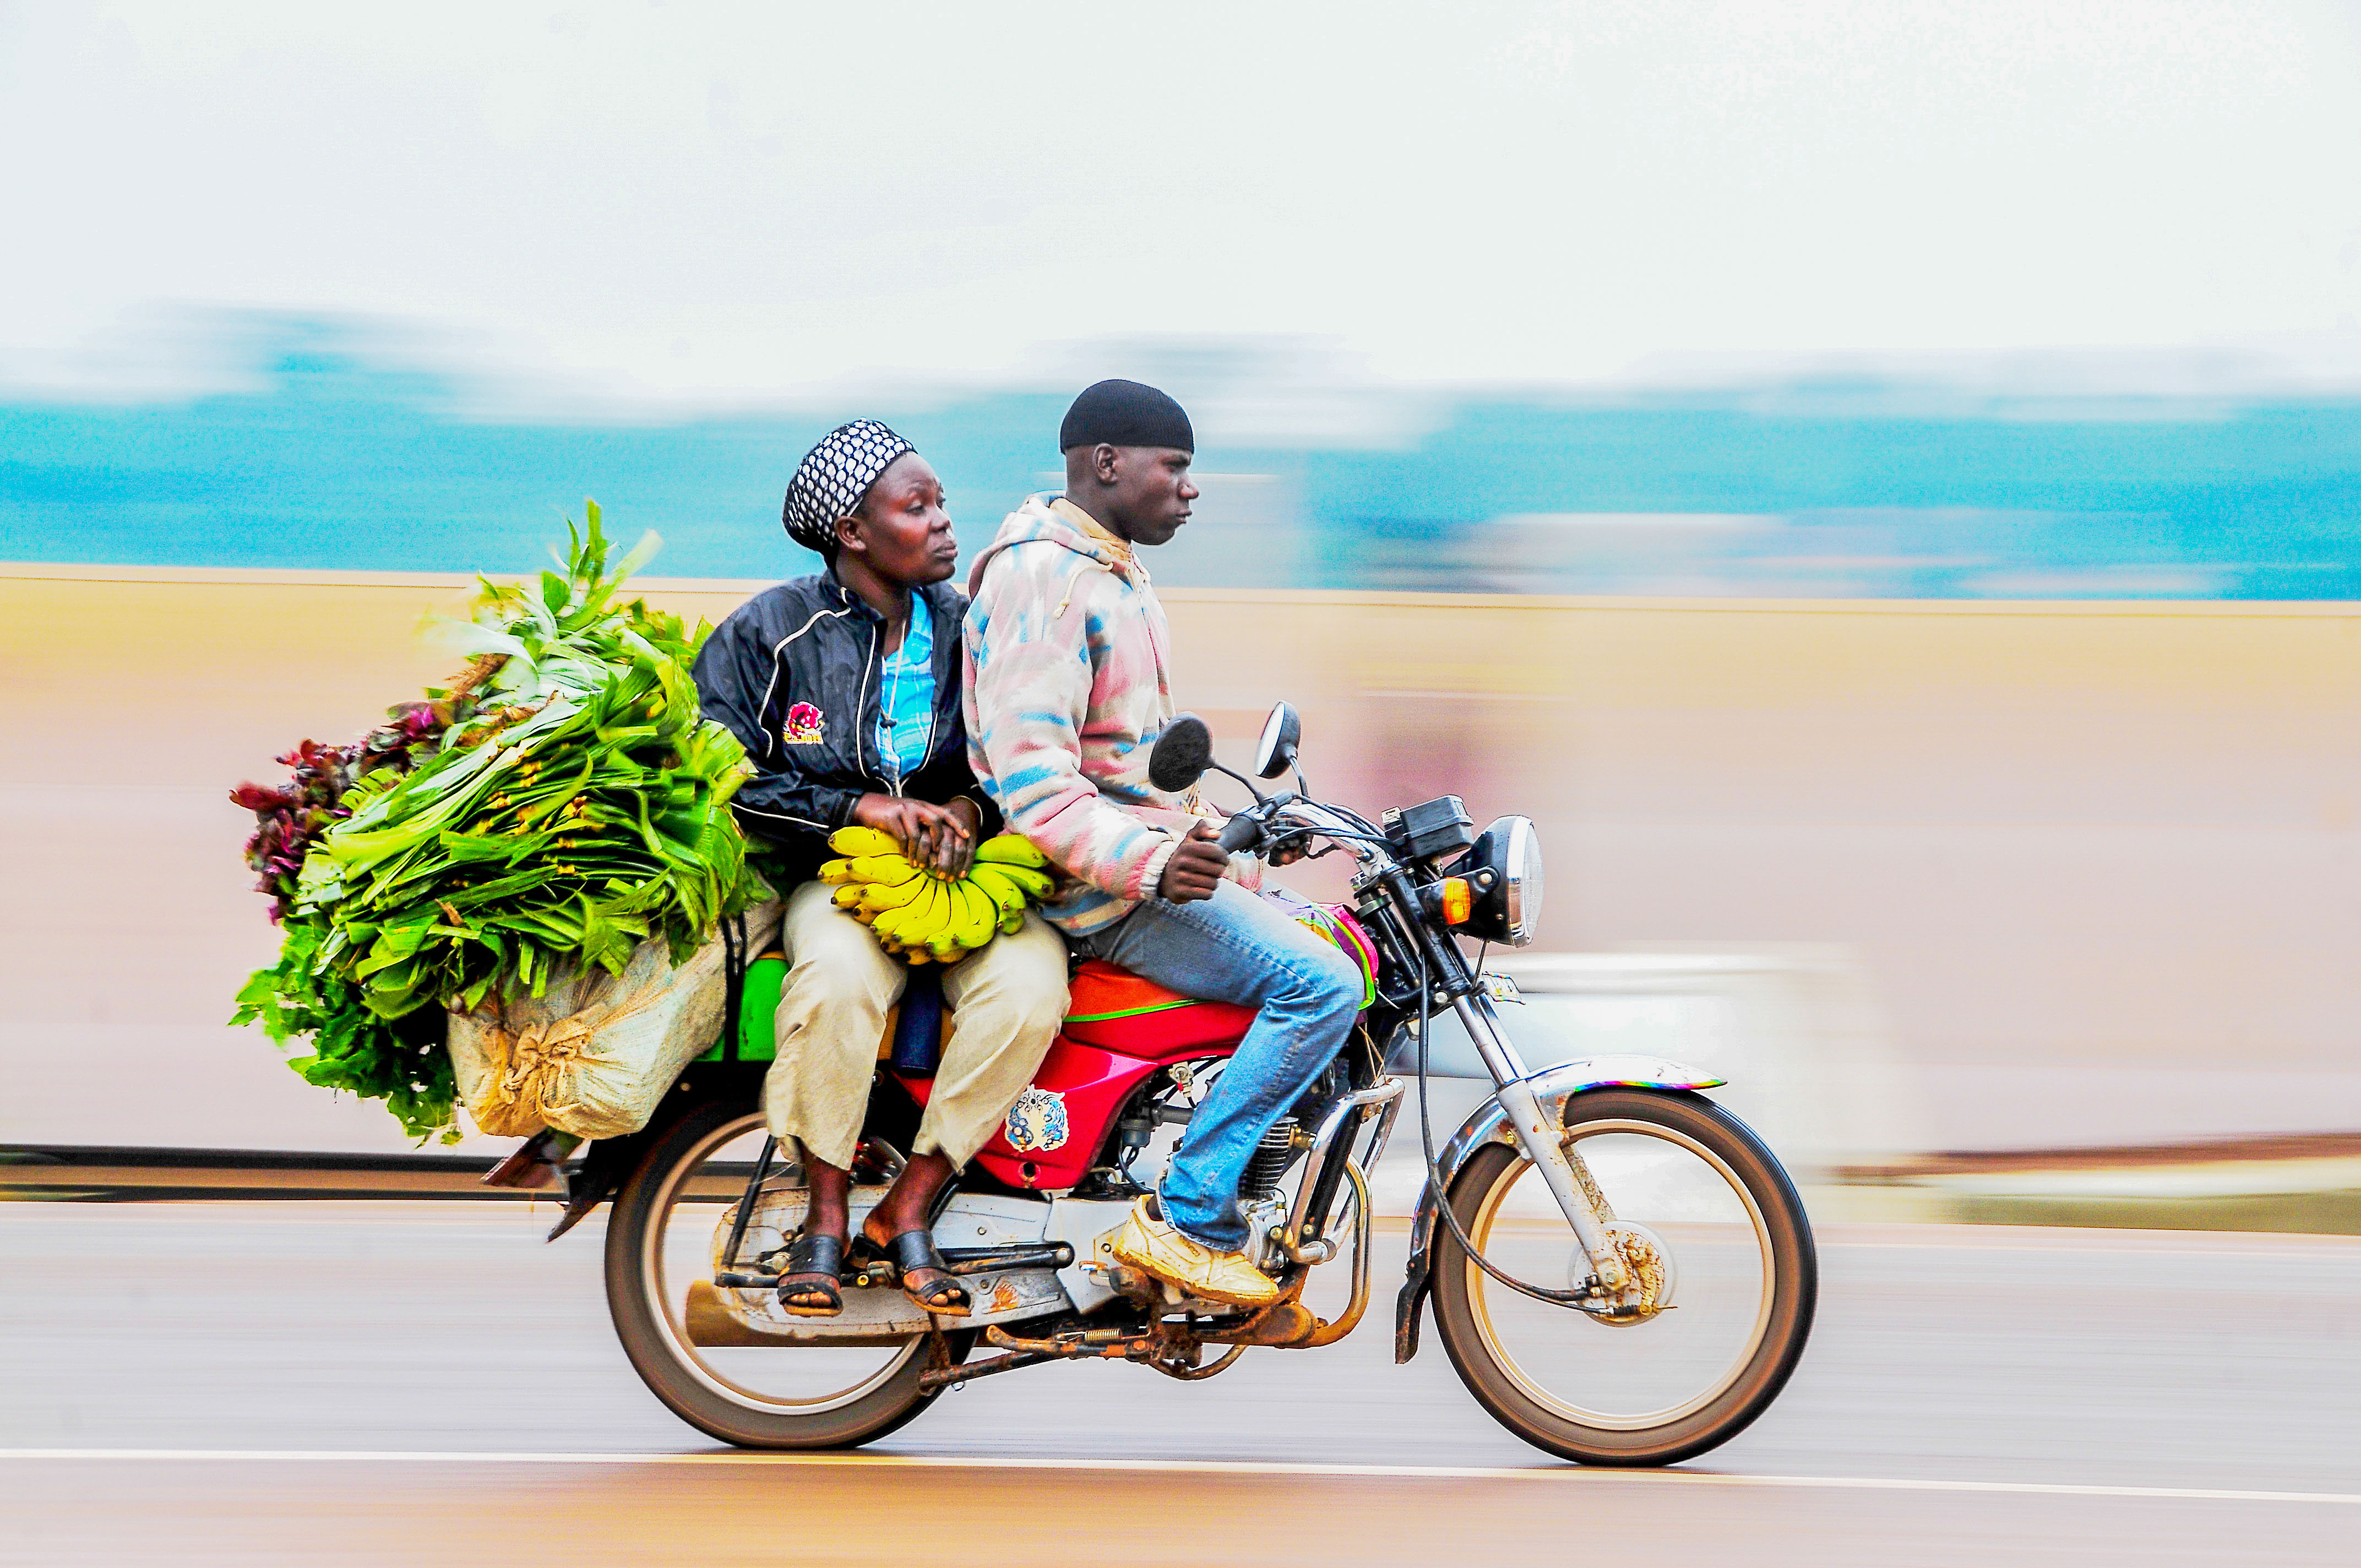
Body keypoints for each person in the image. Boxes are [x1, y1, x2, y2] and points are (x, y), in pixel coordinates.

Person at [962, 380, 1363, 1308]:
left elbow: (1127, 767)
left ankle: (1252, 1237)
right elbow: (1035, 784)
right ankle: (1188, 1221)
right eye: (1175, 467)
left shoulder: (1112, 571)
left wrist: (1232, 841)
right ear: (1107, 464)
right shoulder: (1044, 579)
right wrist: (1153, 864)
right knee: (1320, 984)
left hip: (1132, 867)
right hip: (1093, 893)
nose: (1189, 489)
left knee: (1348, 956)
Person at [693, 419, 1070, 1319]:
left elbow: (1013, 756)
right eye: (918, 507)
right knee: (832, 983)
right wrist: (860, 809)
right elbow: (721, 773)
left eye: (942, 504)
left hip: (963, 878)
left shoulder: (973, 630)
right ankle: (824, 1210)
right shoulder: (771, 632)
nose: (944, 524)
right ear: (853, 535)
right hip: (837, 878)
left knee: (1032, 992)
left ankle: (912, 1202)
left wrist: (971, 815)